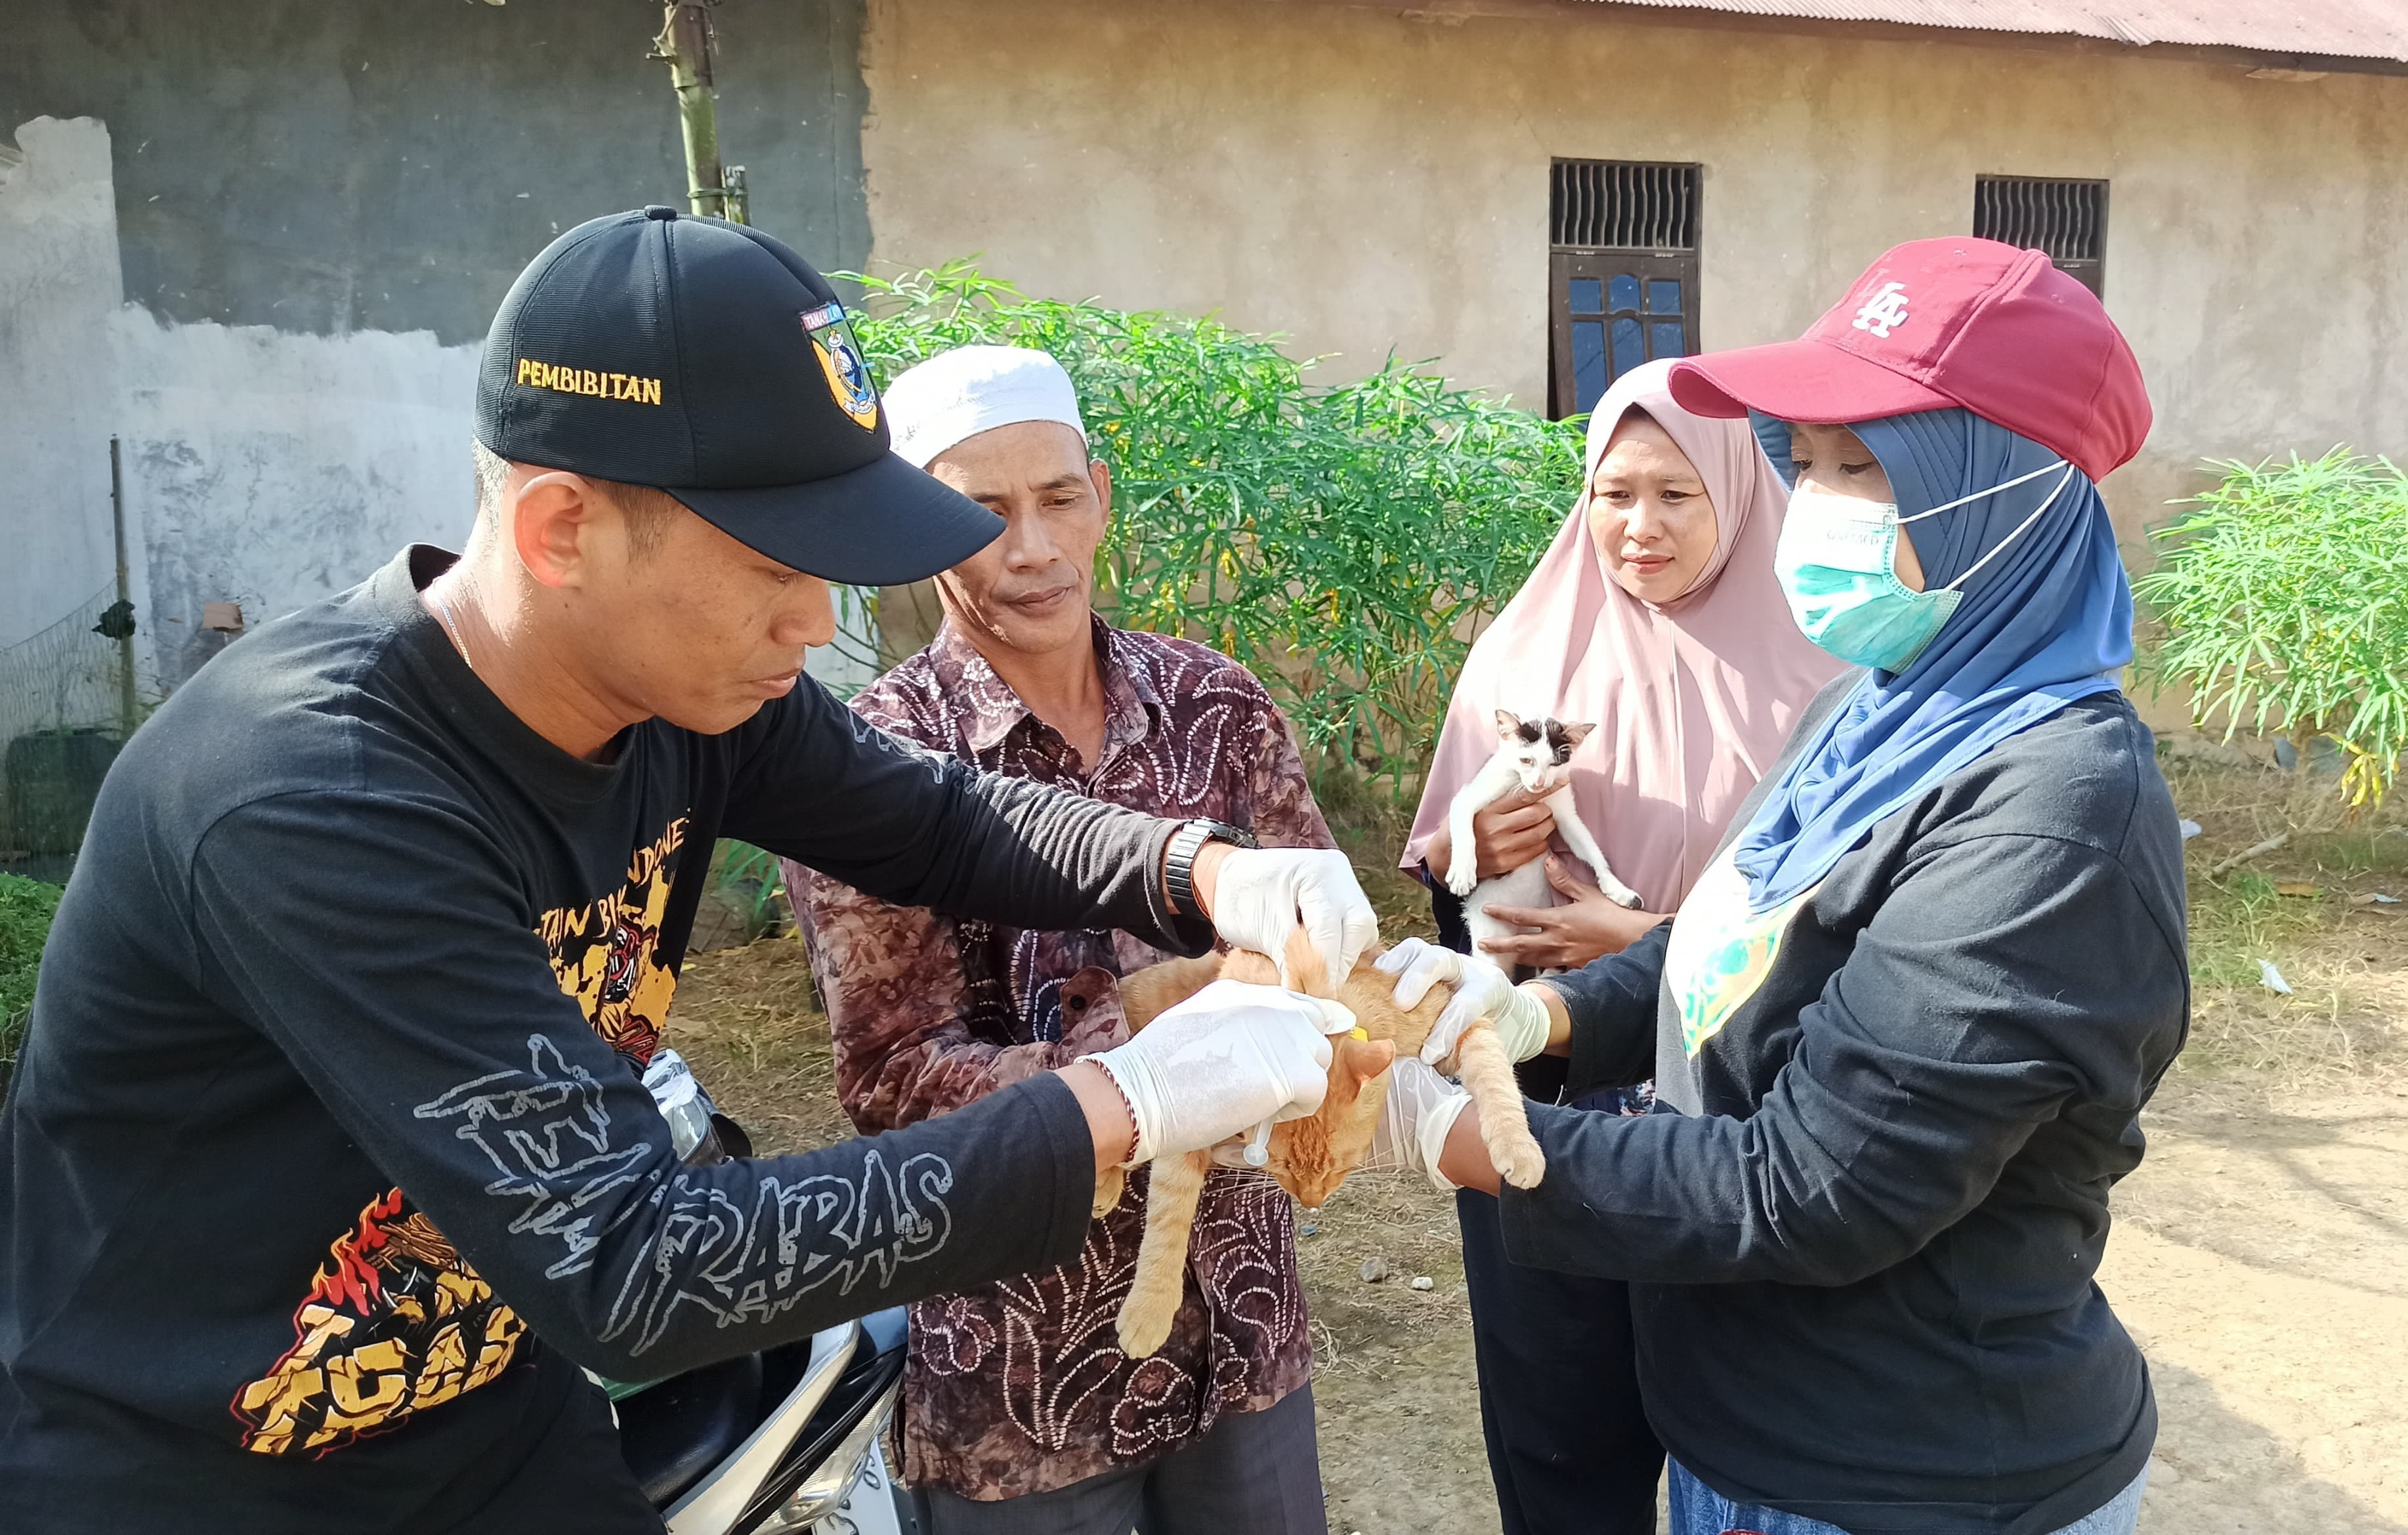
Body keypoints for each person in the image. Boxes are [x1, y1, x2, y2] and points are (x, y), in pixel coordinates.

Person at [0, 209, 1381, 1535]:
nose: (817, 620)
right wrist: (1123, 1102)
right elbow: (635, 1265)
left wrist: (1202, 871)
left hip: (488, 1432)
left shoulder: (685, 693)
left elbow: (940, 822)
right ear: (560, 531)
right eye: (778, 563)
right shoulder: (315, 799)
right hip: (193, 1470)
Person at [1371, 237, 2187, 1535]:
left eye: (1862, 467)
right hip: (1748, 1434)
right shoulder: (1871, 710)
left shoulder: (2051, 812)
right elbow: (1737, 936)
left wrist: (1440, 1132)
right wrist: (1546, 1021)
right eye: (1803, 461)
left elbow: (1813, 1188)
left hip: (1900, 1471)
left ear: (2003, 492)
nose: (1813, 503)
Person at [782, 345, 1336, 1535]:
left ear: (1100, 492)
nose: (1031, 549)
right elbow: (892, 1079)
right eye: (981, 514)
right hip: (1018, 1360)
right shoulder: (873, 763)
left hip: (1237, 1317)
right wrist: (1136, 1070)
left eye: (1058, 498)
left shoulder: (1218, 707)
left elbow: (1319, 956)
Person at [1400, 356, 1840, 1535]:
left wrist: (1639, 939)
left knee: (1734, 1436)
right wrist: (1475, 850)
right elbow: (1459, 924)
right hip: (1548, 1106)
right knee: (1560, 1439)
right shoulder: (1522, 657)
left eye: (1675, 496)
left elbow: (1855, 928)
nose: (1638, 528)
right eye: (1613, 494)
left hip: (1741, 1116)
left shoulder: (1829, 670)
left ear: (1739, 494)